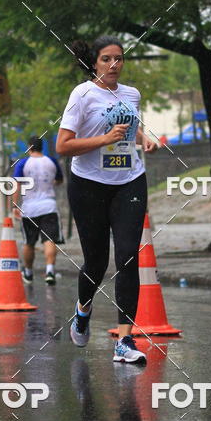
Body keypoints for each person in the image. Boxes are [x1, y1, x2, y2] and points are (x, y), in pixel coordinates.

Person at [56, 36, 159, 364]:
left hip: (129, 181)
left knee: (129, 256)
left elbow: (128, 127)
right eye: (106, 59)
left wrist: (144, 137)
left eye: (119, 59)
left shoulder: (132, 94)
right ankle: (83, 309)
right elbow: (63, 145)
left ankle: (125, 341)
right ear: (95, 63)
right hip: (89, 185)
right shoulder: (82, 95)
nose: (114, 65)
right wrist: (104, 139)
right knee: (97, 262)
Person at [13, 136, 64, 285]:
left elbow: (16, 185)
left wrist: (14, 206)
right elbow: (60, 180)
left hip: (29, 208)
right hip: (49, 206)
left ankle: (28, 273)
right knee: (49, 240)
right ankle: (49, 271)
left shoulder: (23, 163)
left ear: (29, 147)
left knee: (29, 242)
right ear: (42, 147)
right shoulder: (52, 161)